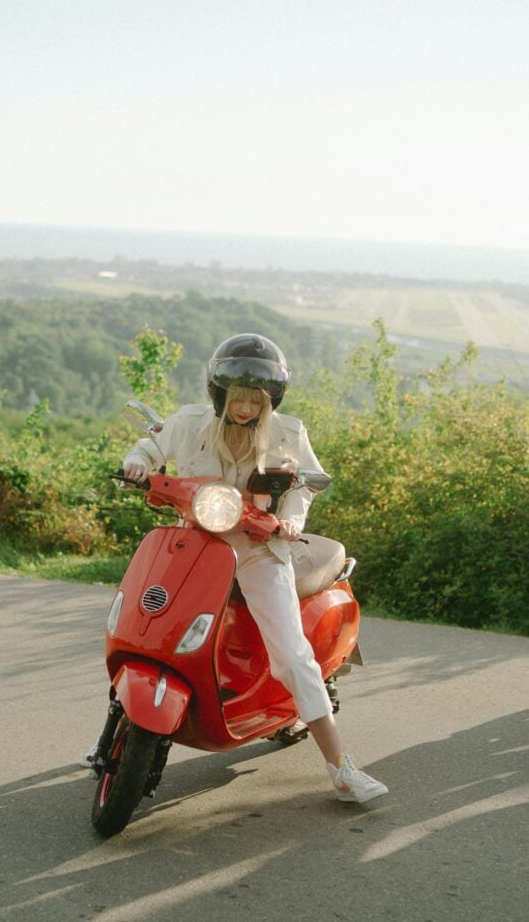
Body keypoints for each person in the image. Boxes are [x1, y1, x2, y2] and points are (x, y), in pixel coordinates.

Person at [122, 333, 388, 804]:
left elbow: (306, 485)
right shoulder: (189, 422)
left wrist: (291, 520)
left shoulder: (289, 433)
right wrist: (136, 466)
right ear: (220, 394)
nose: (245, 408)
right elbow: (148, 449)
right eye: (238, 398)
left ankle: (342, 769)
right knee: (148, 621)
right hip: (195, 541)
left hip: (259, 547)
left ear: (270, 401)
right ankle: (120, 731)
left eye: (255, 400)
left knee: (292, 655)